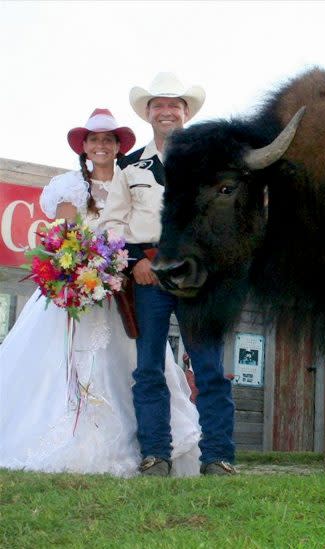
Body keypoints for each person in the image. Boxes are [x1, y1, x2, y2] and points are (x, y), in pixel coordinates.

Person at [0, 109, 201, 477]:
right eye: (94, 139)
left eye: (108, 139)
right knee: (66, 365)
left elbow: (134, 232)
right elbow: (62, 240)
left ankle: (152, 447)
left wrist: (117, 268)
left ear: (117, 145)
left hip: (121, 293)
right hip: (77, 296)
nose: (101, 145)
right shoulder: (71, 187)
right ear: (85, 147)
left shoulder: (134, 178)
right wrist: (80, 272)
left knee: (141, 364)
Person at [99, 73, 236, 476]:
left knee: (209, 366)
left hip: (198, 277)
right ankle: (155, 454)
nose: (165, 111)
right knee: (148, 369)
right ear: (148, 113)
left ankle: (219, 457)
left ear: (186, 112)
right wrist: (135, 260)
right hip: (149, 275)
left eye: (173, 105)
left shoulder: (211, 164)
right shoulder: (129, 166)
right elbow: (112, 222)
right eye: (157, 105)